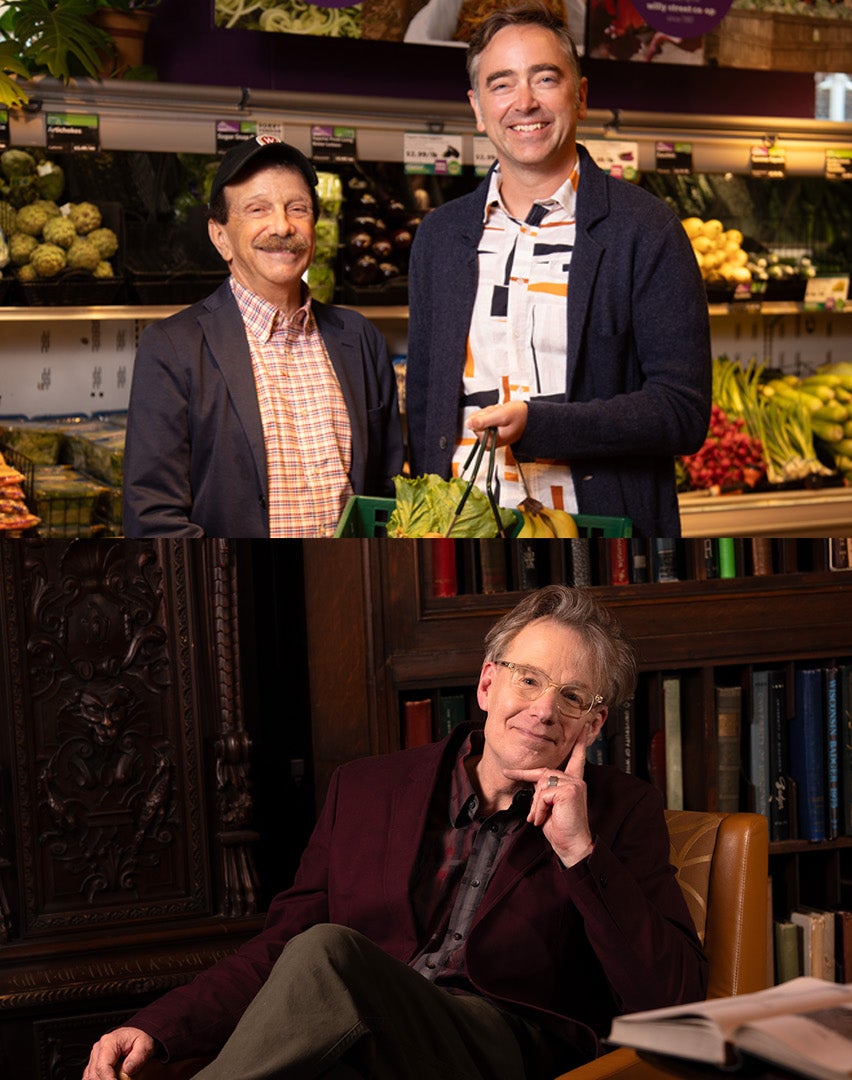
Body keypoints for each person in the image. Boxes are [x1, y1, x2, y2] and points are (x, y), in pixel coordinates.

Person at [84, 585, 705, 1080]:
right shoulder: (366, 789)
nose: (543, 710)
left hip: (502, 1049)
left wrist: (578, 851)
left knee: (330, 952)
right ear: (487, 683)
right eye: (528, 679)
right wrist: (159, 1028)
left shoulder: (622, 812)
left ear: (592, 726)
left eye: (571, 697)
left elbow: (673, 999)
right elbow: (281, 950)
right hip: (363, 1039)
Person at [407, 4, 710, 535]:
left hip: (596, 534)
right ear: (478, 108)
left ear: (581, 96)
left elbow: (682, 411)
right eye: (501, 84)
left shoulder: (645, 230)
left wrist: (541, 426)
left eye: (545, 78)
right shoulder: (440, 237)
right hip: (461, 531)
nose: (524, 101)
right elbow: (425, 405)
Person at [123, 137, 404, 537]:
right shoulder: (172, 348)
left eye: (298, 209)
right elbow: (153, 518)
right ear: (220, 237)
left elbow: (387, 497)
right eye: (258, 209)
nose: (282, 226)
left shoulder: (360, 339)